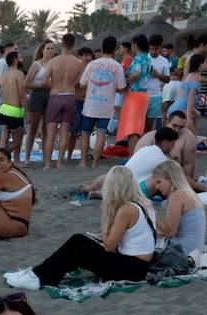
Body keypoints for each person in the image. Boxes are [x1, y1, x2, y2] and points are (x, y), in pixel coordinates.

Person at [6, 166, 155, 291]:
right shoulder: (139, 204)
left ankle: (38, 277)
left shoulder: (126, 210)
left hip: (131, 270)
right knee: (79, 246)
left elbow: (109, 246)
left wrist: (106, 218)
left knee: (78, 242)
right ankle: (41, 273)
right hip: (137, 266)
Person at [79, 125, 176, 197]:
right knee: (159, 179)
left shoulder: (146, 149)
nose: (174, 147)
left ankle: (90, 187)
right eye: (172, 144)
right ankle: (100, 193)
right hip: (130, 187)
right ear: (165, 143)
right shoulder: (161, 159)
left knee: (109, 175)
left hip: (119, 176)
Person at [77, 36, 125, 166]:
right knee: (101, 133)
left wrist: (92, 86)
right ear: (114, 49)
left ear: (102, 48)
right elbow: (121, 88)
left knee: (85, 133)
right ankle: (95, 162)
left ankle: (83, 161)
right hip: (106, 106)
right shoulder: (117, 66)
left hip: (90, 106)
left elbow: (82, 84)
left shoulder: (92, 64)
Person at [148, 159, 206, 256]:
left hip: (182, 252)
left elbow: (170, 232)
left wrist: (152, 214)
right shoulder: (187, 192)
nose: (157, 187)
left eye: (159, 182)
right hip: (195, 249)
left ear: (170, 178)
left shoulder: (176, 196)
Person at [45, 34, 84, 169]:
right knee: (64, 132)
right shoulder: (78, 63)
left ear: (62, 43)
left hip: (56, 95)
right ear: (73, 45)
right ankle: (60, 162)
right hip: (70, 96)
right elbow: (79, 82)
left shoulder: (53, 61)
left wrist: (54, 82)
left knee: (51, 133)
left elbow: (44, 81)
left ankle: (48, 163)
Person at [0, 51, 28, 162]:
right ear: (15, 60)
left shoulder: (3, 76)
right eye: (20, 57)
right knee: (17, 141)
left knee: (3, 140)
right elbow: (22, 95)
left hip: (3, 110)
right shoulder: (19, 74)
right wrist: (27, 113)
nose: (22, 59)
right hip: (15, 111)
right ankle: (1, 158)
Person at [23, 40, 55, 166]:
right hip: (37, 96)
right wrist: (42, 85)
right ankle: (27, 157)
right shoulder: (37, 65)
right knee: (33, 128)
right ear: (43, 50)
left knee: (47, 128)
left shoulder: (54, 64)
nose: (50, 51)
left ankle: (45, 157)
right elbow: (27, 83)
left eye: (52, 48)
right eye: (48, 48)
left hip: (50, 97)